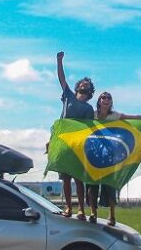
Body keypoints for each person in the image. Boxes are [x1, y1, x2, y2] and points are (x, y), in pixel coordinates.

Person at [86, 91, 141, 226]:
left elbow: (136, 117)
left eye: (109, 98)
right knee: (92, 185)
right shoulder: (92, 115)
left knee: (110, 184)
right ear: (99, 101)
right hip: (94, 153)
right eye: (103, 97)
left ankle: (112, 215)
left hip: (110, 155)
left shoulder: (114, 116)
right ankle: (93, 213)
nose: (106, 99)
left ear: (111, 102)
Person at [56, 51, 95, 220]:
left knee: (78, 179)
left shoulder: (88, 108)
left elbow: (88, 130)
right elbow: (61, 79)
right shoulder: (68, 96)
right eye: (83, 83)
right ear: (79, 86)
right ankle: (68, 208)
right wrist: (59, 61)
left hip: (78, 146)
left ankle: (81, 209)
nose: (85, 85)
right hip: (63, 142)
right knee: (65, 179)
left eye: (88, 84)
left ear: (90, 91)